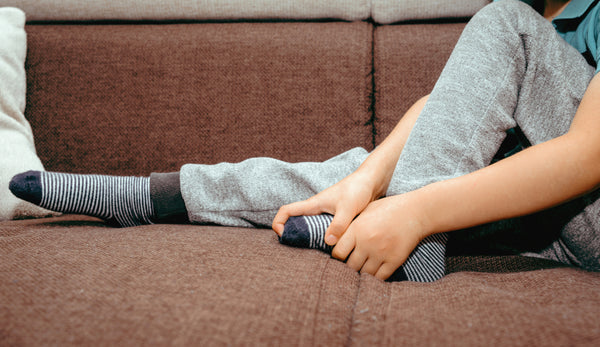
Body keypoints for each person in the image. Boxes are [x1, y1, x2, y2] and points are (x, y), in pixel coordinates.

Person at [10, 0, 600, 281]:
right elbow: (446, 111)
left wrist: (414, 211)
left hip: (583, 206)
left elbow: (588, 152)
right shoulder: (566, 25)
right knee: (350, 176)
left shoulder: (544, 27)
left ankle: (416, 240)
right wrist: (365, 184)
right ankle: (149, 196)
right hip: (559, 224)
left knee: (507, 22)